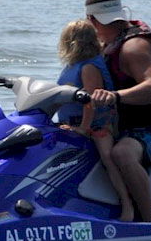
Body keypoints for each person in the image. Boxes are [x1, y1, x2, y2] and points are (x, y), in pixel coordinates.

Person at [84, 0, 151, 222]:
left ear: (92, 19)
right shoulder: (108, 44)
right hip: (119, 128)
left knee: (122, 153)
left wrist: (115, 96)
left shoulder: (134, 47)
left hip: (150, 131)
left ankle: (148, 223)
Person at [56, 20, 134, 221]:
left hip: (98, 126)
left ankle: (128, 206)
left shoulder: (89, 66)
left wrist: (83, 129)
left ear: (72, 41)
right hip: (74, 124)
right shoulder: (72, 66)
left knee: (108, 157)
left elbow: (90, 101)